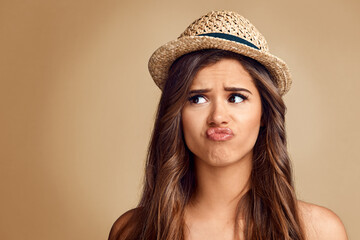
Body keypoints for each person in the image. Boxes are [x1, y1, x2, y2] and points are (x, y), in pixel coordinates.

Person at [109, 10, 347, 240]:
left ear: (265, 113)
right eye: (197, 99)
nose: (218, 116)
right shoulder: (131, 231)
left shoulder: (320, 232)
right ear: (176, 114)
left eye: (236, 97)